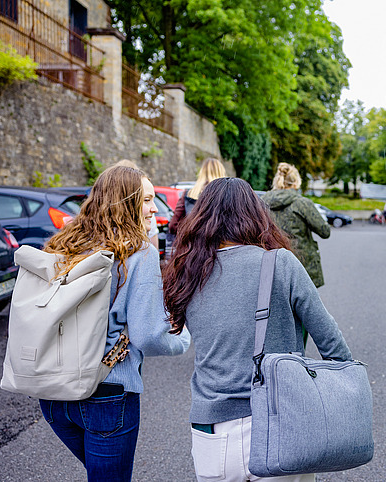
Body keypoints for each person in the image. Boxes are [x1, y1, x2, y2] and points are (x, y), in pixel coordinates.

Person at [163, 178, 353, 482]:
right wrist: (345, 390)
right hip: (281, 421)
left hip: (211, 430)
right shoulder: (280, 263)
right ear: (256, 214)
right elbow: (329, 339)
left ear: (200, 217)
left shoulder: (186, 269)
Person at [39, 165, 191, 481]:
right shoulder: (137, 254)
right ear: (126, 201)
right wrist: (182, 337)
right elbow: (148, 336)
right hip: (106, 393)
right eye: (147, 200)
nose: (154, 208)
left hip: (52, 391)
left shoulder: (64, 245)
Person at [261, 162, 330, 288]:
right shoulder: (302, 203)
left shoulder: (261, 203)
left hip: (271, 264)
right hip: (302, 264)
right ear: (296, 182)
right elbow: (325, 232)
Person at [169, 158, 226, 235]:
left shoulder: (188, 194)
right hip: (219, 245)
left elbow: (173, 225)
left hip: (192, 244)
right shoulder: (226, 194)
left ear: (201, 173)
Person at [114, 159, 159, 249]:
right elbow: (154, 245)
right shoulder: (145, 252)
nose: (155, 209)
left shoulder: (89, 241)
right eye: (146, 200)